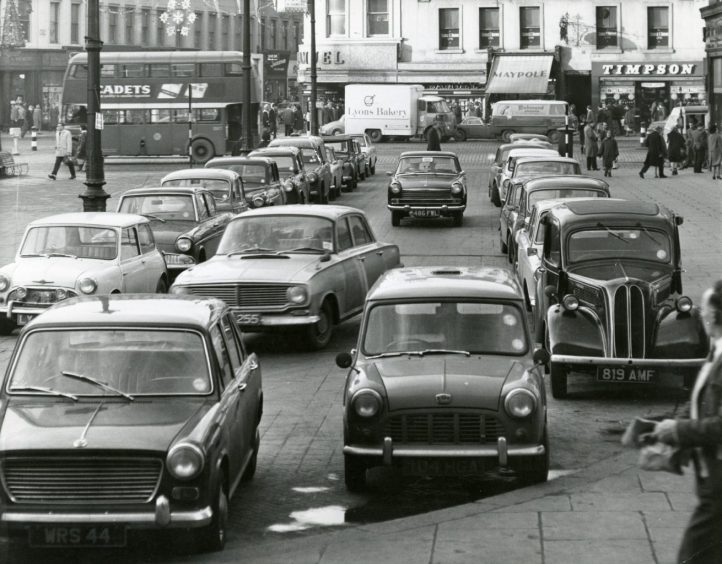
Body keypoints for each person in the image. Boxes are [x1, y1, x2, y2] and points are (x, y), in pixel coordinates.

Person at [649, 280, 722, 564]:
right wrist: (667, 431)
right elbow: (704, 409)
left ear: (714, 316)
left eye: (705, 309)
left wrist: (677, 430)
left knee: (691, 555)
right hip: (711, 480)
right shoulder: (715, 354)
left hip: (718, 485)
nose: (701, 314)